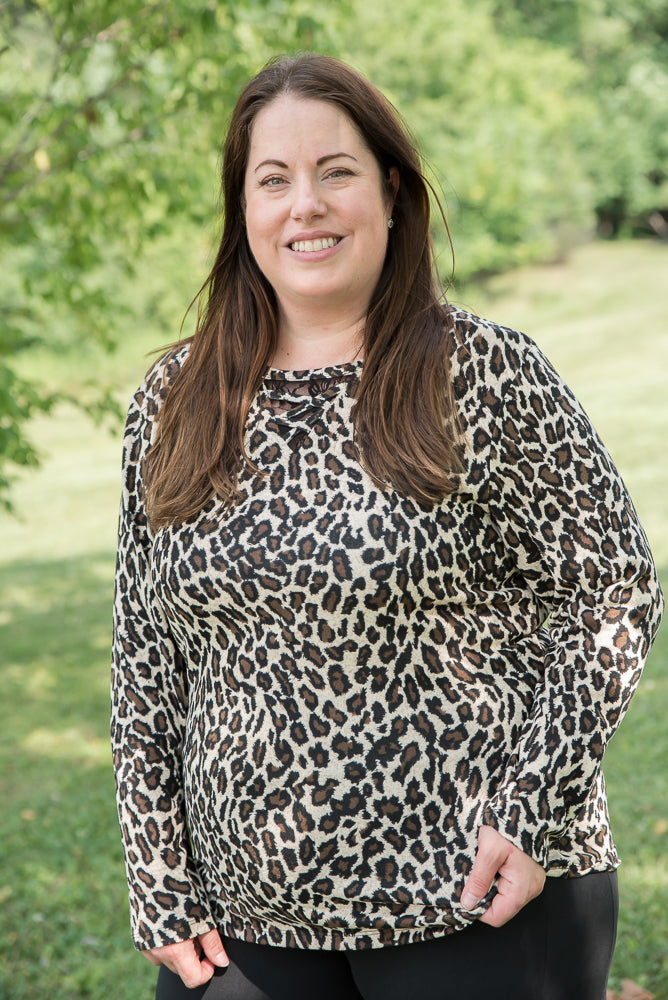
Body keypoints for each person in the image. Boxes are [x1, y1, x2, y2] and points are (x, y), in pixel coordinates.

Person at [111, 53, 664, 1000]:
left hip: (480, 899)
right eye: (273, 180)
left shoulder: (485, 372)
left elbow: (614, 591)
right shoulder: (175, 398)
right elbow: (145, 650)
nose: (305, 206)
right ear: (243, 210)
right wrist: (159, 871)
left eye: (336, 172)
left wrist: (532, 809)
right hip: (247, 922)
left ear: (393, 192)